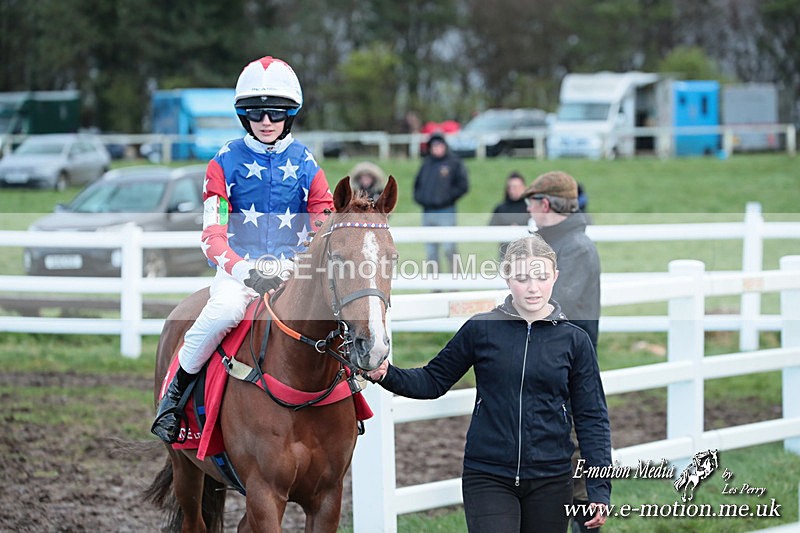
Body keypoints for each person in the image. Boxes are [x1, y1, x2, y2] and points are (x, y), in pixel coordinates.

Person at [367, 234, 611, 532]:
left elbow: (592, 418)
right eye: (522, 278)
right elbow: (433, 381)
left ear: (555, 277)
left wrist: (598, 489)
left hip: (552, 477)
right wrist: (386, 374)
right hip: (488, 474)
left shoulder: (575, 341)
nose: (533, 287)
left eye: (541, 277)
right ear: (507, 277)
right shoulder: (482, 329)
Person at [151, 56, 334, 444]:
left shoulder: (306, 163)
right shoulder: (223, 162)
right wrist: (244, 271)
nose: (266, 121)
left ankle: (350, 390)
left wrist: (296, 266)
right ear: (243, 115)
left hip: (291, 271)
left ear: (291, 115)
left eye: (276, 112)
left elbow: (324, 222)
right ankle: (172, 400)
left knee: (330, 312)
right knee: (224, 310)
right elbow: (211, 235)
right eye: (256, 112)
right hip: (238, 272)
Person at [523, 171, 601, 532]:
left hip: (568, 369)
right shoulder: (558, 246)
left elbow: (553, 306)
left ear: (546, 204)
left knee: (575, 463)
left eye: (530, 203)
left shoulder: (576, 249)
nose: (528, 210)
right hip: (555, 367)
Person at [413, 132, 469, 273]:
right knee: (431, 252)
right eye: (434, 145)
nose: (436, 148)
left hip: (446, 211)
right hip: (428, 212)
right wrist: (421, 198)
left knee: (449, 249)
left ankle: (454, 283)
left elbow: (463, 186)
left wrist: (447, 198)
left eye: (439, 145)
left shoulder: (454, 163)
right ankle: (435, 286)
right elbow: (417, 185)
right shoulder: (426, 164)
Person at [489, 171, 530, 257]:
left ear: (524, 187)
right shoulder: (500, 208)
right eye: (511, 187)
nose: (514, 190)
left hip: (528, 251)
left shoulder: (531, 207)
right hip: (506, 252)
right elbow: (491, 229)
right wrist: (507, 230)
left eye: (517, 187)